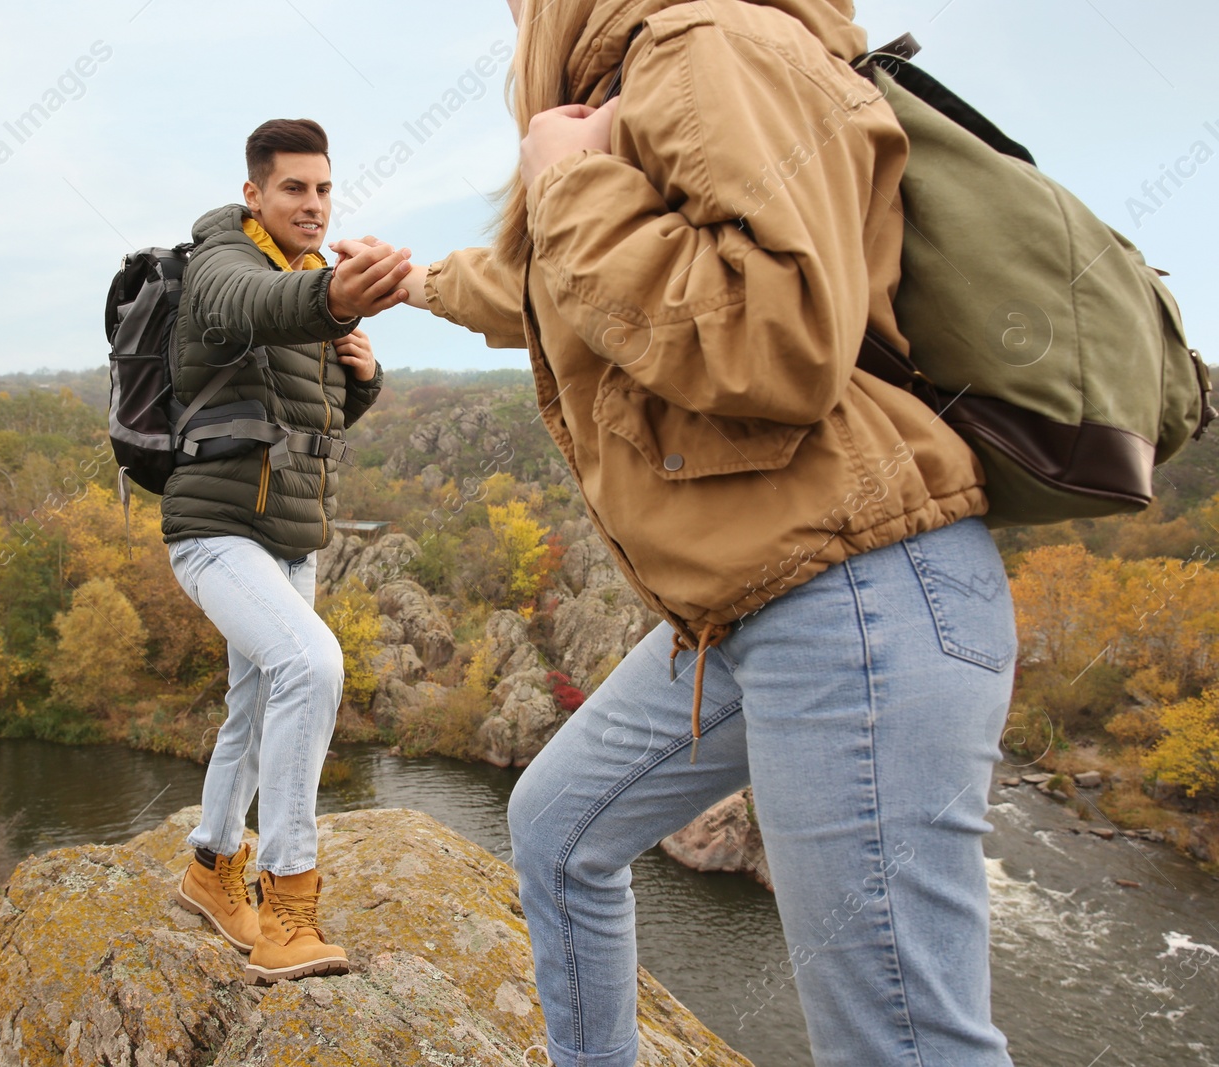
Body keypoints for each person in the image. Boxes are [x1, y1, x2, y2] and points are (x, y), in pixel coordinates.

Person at [364, 0, 1019, 1063]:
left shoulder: (706, 41)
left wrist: (570, 179)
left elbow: (785, 338)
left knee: (901, 1041)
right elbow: (559, 286)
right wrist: (417, 283)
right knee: (559, 828)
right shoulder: (629, 83)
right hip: (763, 602)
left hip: (855, 593)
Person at [165, 117, 415, 985]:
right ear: (254, 195)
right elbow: (247, 307)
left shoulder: (307, 278)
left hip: (286, 543)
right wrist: (337, 300)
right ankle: (288, 906)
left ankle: (208, 866)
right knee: (313, 664)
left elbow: (316, 427)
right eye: (293, 189)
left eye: (322, 189)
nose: (312, 205)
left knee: (258, 707)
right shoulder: (223, 263)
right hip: (213, 533)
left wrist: (362, 373)